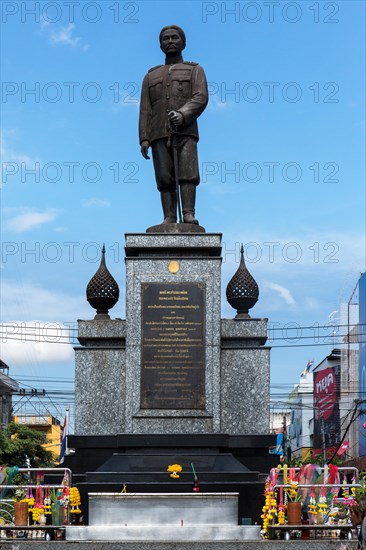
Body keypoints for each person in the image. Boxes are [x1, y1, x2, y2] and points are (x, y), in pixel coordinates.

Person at [139, 25, 208, 225]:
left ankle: (188, 213)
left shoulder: (195, 70)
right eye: (166, 38)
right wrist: (144, 137)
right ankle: (169, 216)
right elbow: (146, 108)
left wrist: (183, 114)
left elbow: (200, 96)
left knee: (187, 172)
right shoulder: (151, 76)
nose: (170, 41)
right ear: (160, 44)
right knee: (164, 176)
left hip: (185, 131)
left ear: (183, 43)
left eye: (174, 38)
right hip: (158, 132)